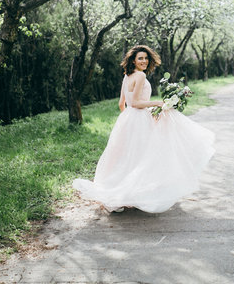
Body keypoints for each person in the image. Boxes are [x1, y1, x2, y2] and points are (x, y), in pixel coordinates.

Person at [73, 45, 215, 213]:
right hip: (138, 118)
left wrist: (132, 118)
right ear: (133, 60)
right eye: (140, 58)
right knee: (142, 156)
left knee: (127, 156)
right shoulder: (139, 76)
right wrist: (157, 104)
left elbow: (122, 104)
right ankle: (133, 193)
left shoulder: (127, 76)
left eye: (146, 58)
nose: (144, 61)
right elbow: (135, 103)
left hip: (127, 119)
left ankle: (125, 192)